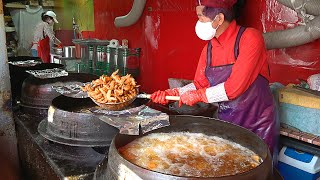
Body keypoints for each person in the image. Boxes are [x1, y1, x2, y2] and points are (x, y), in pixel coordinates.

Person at [150, 0, 276, 151]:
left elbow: (233, 88)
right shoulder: (208, 49)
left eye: (201, 17)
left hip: (258, 125)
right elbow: (200, 84)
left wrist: (198, 96)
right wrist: (173, 94)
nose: (198, 22)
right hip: (227, 121)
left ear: (219, 19)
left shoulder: (250, 38)